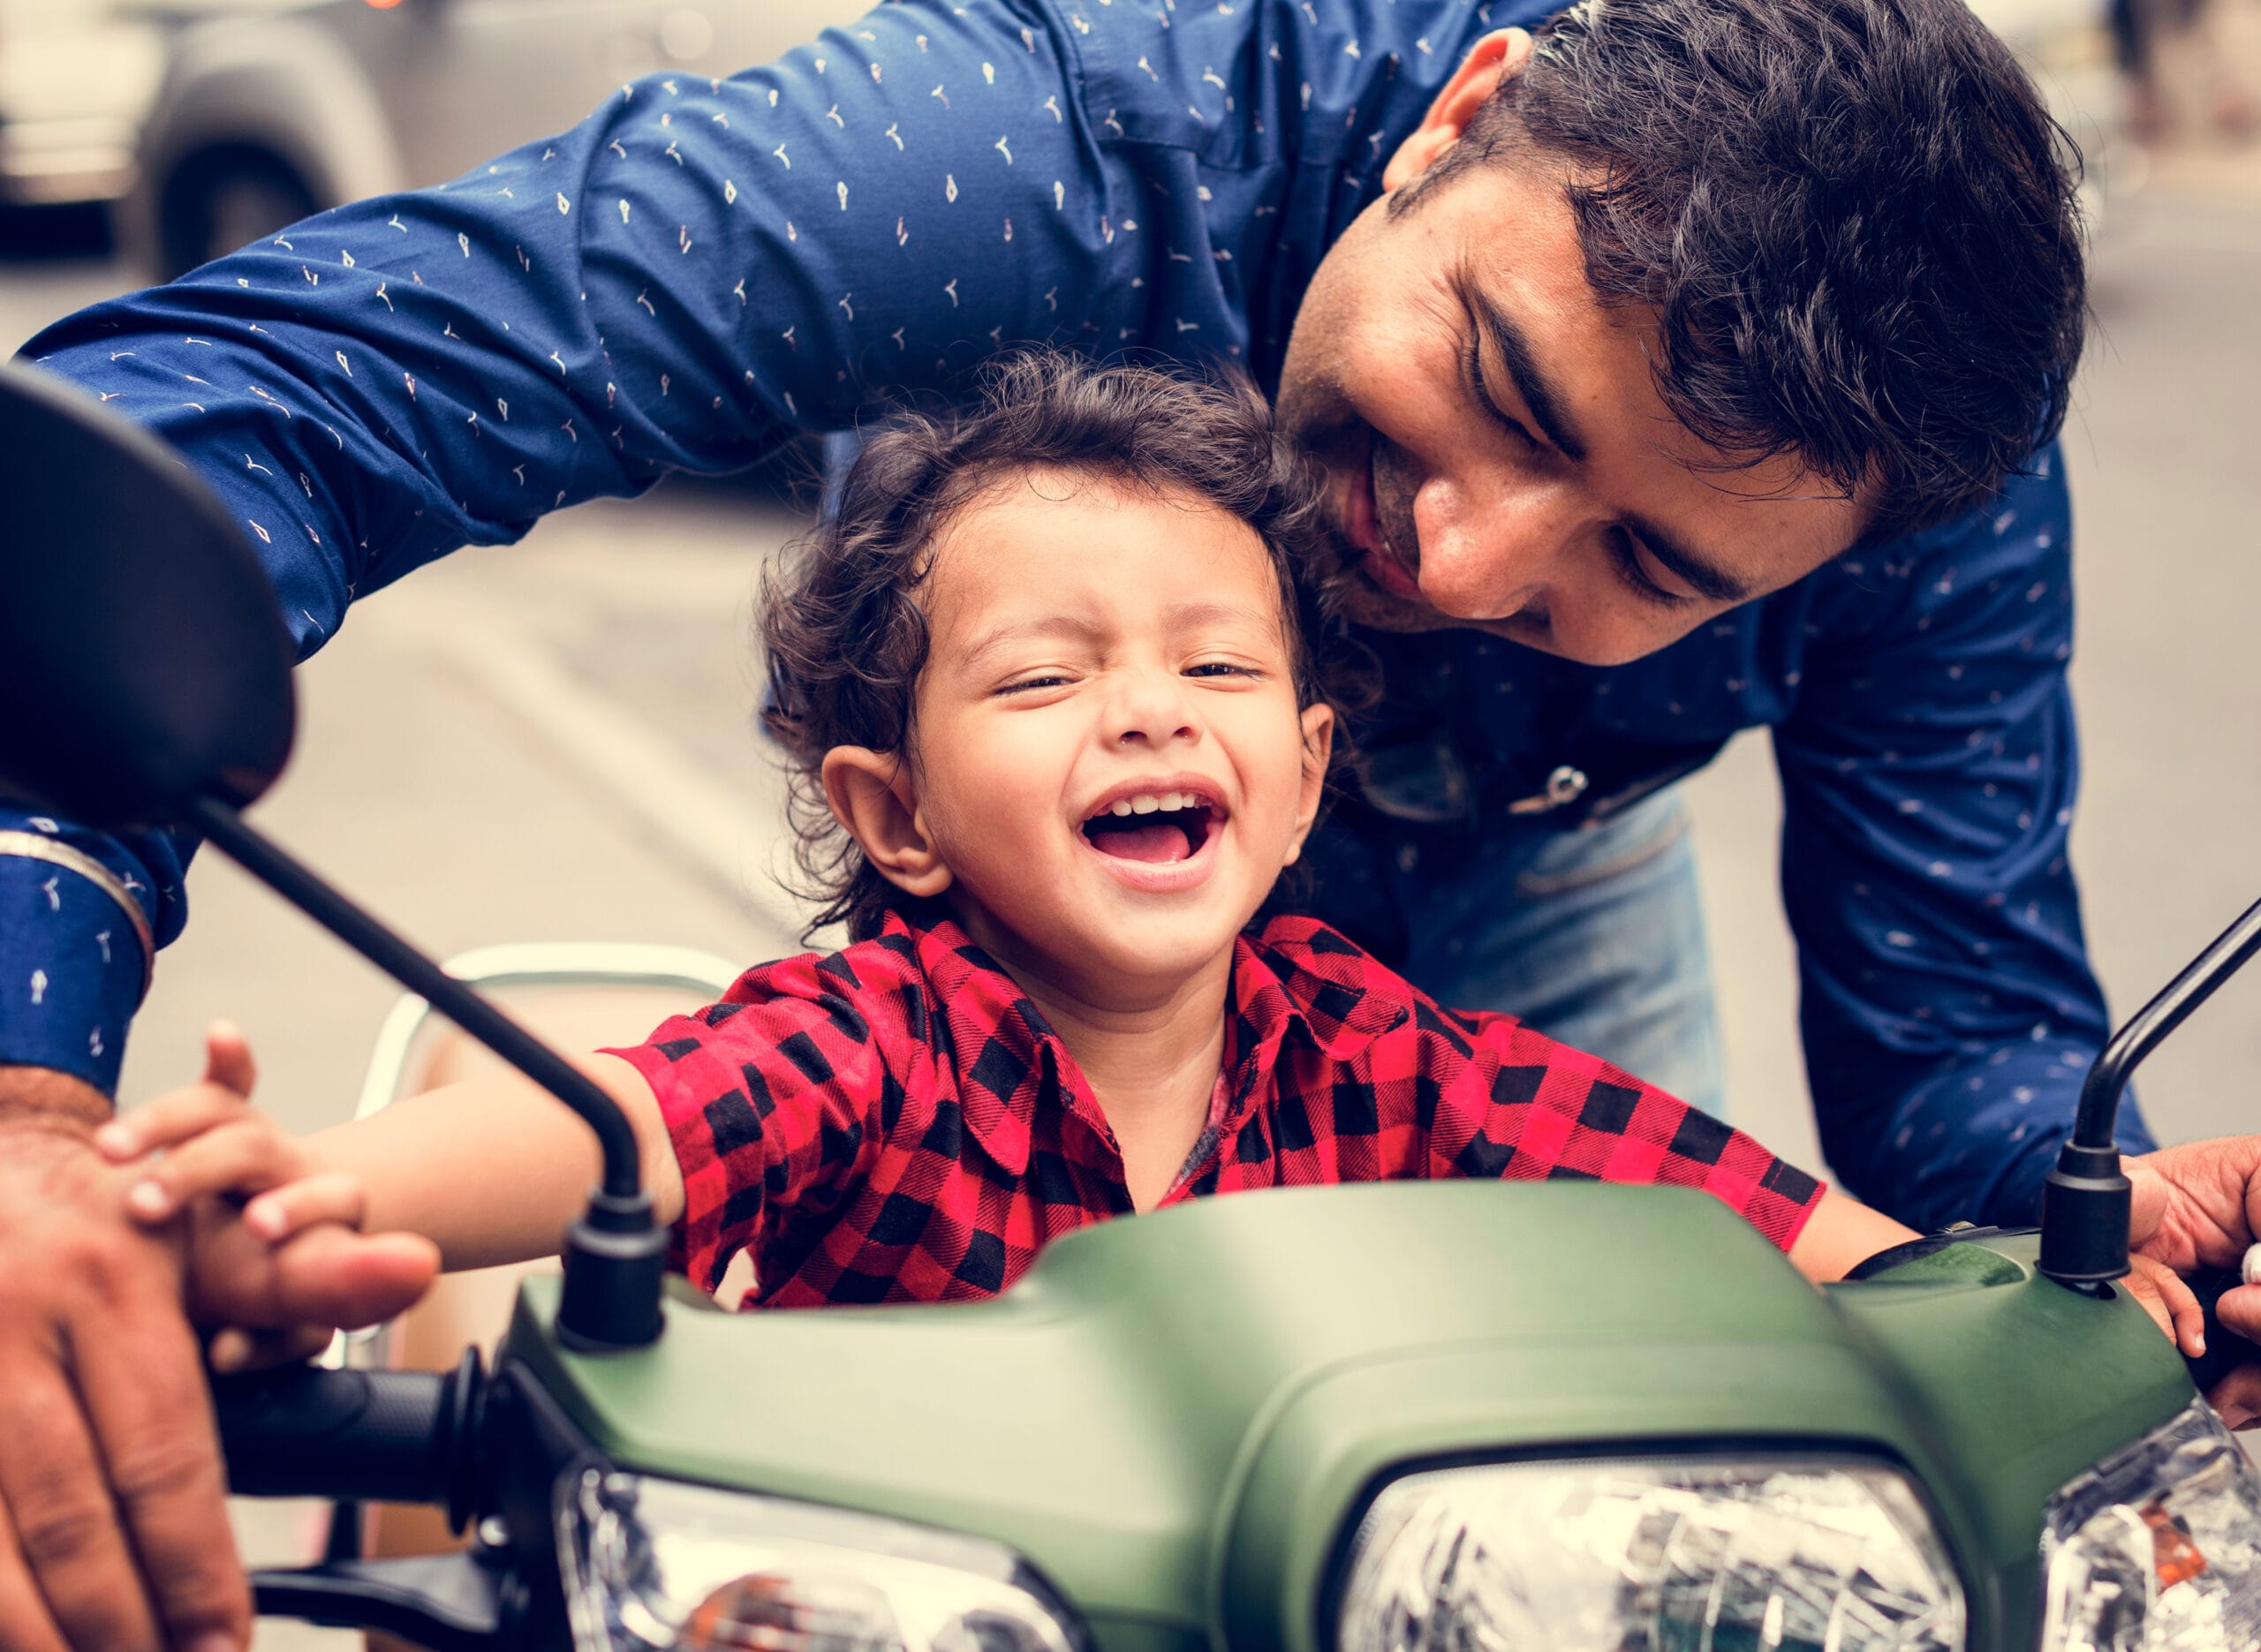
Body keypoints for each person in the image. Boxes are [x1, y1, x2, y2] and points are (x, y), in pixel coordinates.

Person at [0, 0, 2212, 1645]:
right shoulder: (1031, 153)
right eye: (1506, 391)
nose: (1451, 577)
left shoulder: (1917, 492)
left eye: (1648, 569)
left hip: (1517, 909)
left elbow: (1957, 1124)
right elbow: (239, 410)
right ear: (1457, 123)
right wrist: (49, 1121)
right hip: (959, 976)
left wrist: (2127, 1267)